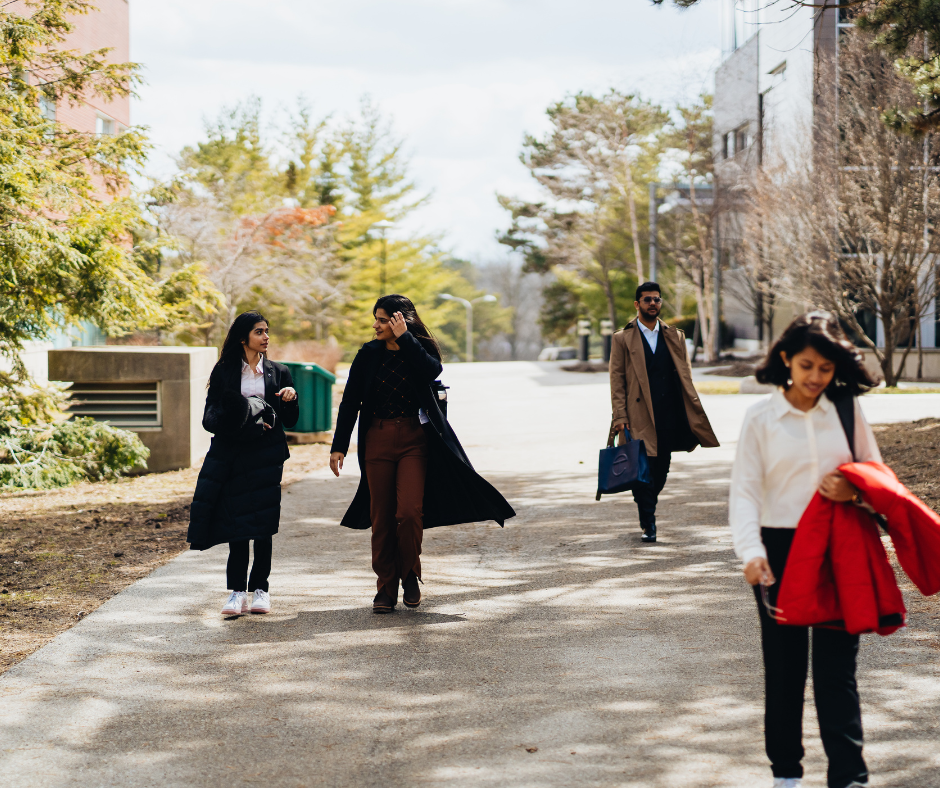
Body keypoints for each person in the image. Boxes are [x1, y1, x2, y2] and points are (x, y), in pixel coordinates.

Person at [729, 311, 880, 788]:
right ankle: (786, 774)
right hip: (780, 550)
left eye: (827, 369)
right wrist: (751, 552)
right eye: (808, 366)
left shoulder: (846, 410)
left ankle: (850, 776)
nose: (817, 378)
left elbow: (876, 473)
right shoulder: (761, 417)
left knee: (838, 669)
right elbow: (745, 491)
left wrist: (854, 493)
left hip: (841, 549)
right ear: (786, 359)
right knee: (786, 667)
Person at [330, 294, 515, 613]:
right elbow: (350, 402)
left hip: (415, 440)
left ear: (400, 320)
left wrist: (406, 340)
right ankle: (385, 588)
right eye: (375, 319)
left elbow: (431, 370)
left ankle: (410, 575)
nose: (376, 325)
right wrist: (339, 445)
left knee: (409, 513)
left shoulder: (420, 349)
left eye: (383, 319)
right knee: (382, 518)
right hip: (377, 439)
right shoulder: (368, 353)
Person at [187, 311, 298, 617]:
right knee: (237, 523)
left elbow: (291, 421)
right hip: (234, 455)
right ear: (242, 336)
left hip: (267, 457)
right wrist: (244, 423)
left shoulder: (279, 372)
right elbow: (210, 419)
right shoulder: (224, 372)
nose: (266, 337)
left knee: (263, 523)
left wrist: (290, 399)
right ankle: (237, 592)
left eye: (267, 331)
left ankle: (261, 588)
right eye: (259, 331)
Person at [609, 281, 719, 542]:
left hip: (669, 413)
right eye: (647, 300)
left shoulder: (675, 335)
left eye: (657, 300)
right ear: (637, 304)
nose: (653, 304)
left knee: (661, 469)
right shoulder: (622, 338)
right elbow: (617, 380)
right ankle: (649, 523)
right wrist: (620, 416)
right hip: (639, 415)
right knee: (642, 468)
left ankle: (647, 507)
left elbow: (685, 375)